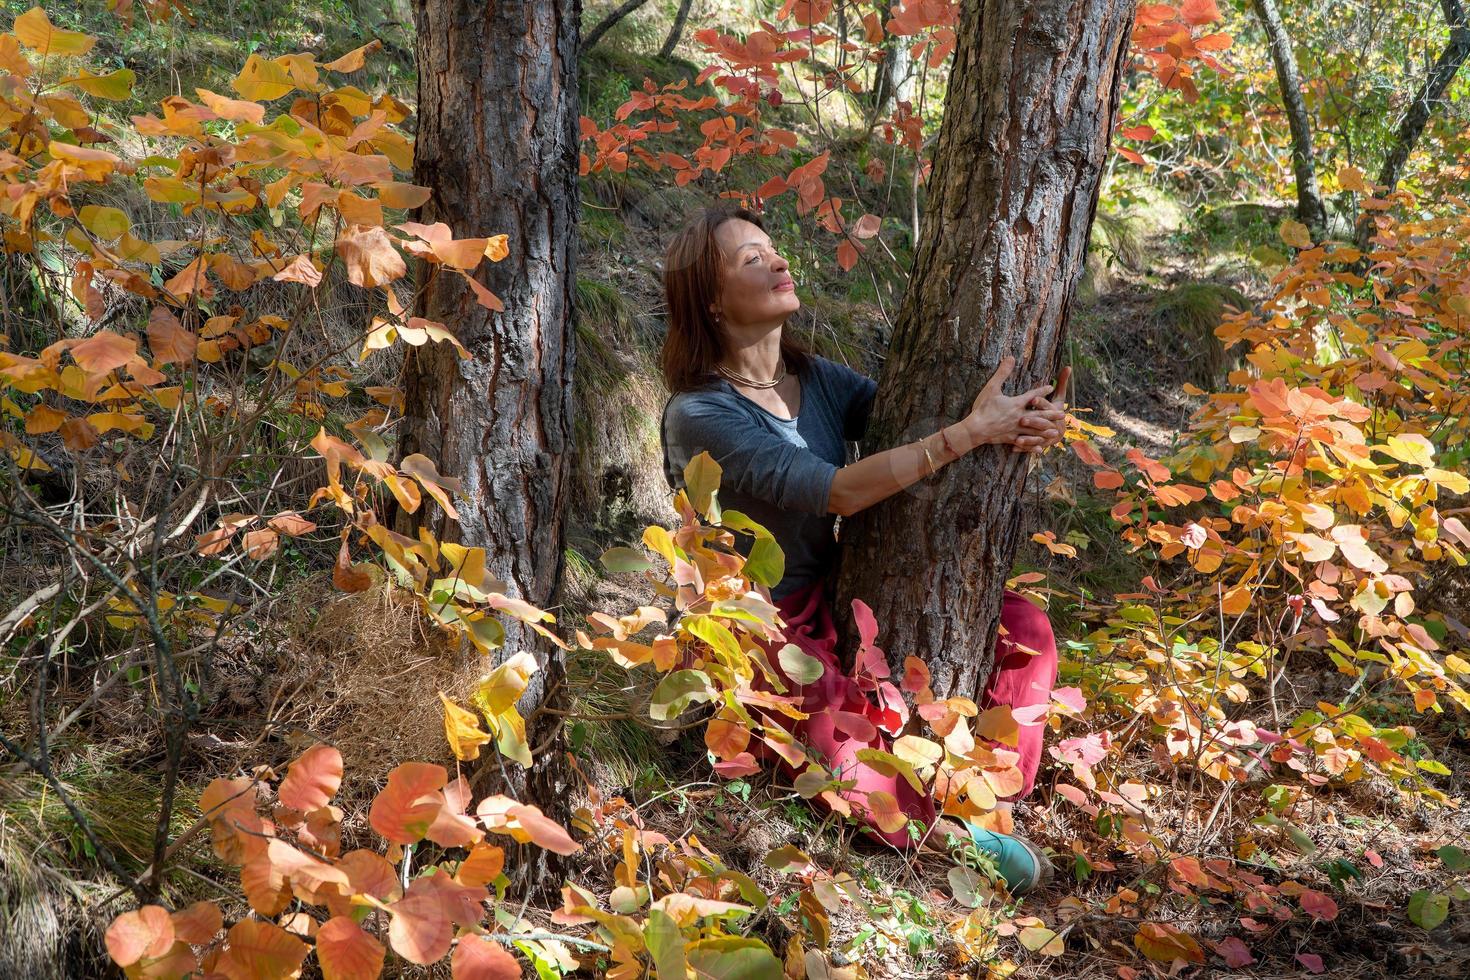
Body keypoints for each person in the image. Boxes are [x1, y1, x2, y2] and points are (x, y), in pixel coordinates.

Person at [658, 206, 1065, 892]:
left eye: (773, 247)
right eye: (751, 260)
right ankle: (949, 839)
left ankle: (991, 797)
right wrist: (970, 434)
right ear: (711, 301)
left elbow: (912, 419)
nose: (779, 262)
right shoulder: (701, 413)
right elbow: (838, 491)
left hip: (833, 588)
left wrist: (1028, 418)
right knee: (827, 733)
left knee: (1024, 624)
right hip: (756, 619)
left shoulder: (814, 379)